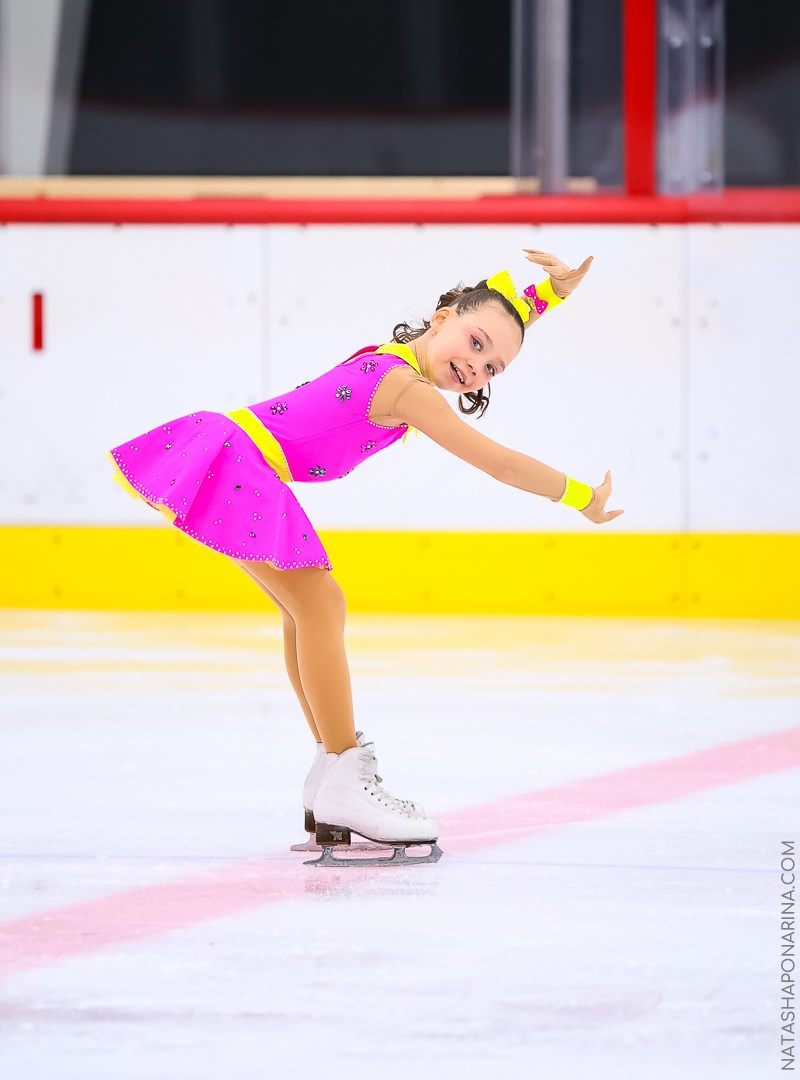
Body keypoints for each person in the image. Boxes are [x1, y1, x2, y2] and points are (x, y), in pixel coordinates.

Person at [108, 248, 623, 866]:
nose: (477, 366)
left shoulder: (405, 360)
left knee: (306, 612)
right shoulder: (406, 389)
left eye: (494, 368)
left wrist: (549, 297)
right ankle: (345, 781)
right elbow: (502, 463)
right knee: (321, 605)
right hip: (241, 460)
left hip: (236, 456)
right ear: (440, 317)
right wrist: (581, 497)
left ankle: (332, 772)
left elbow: (482, 318)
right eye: (475, 345)